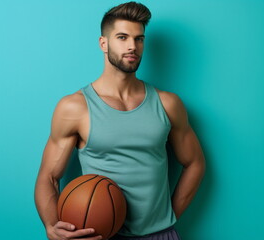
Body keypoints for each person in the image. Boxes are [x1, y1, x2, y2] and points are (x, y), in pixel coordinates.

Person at [34, 2, 206, 240]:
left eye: (139, 39)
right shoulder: (75, 107)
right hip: (99, 235)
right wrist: (52, 226)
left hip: (160, 234)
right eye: (122, 37)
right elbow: (49, 176)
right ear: (103, 43)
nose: (132, 46)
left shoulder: (168, 104)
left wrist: (168, 217)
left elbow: (195, 163)